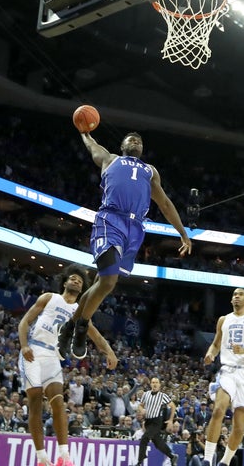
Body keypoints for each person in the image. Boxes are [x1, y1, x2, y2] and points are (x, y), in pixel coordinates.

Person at [59, 128, 193, 359]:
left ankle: (69, 327)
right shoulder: (110, 159)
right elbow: (92, 146)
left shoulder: (150, 172)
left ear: (142, 149)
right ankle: (81, 328)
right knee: (109, 280)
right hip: (110, 220)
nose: (136, 141)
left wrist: (182, 233)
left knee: (101, 283)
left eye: (139, 140)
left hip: (134, 229)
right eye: (131, 139)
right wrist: (84, 132)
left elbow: (165, 204)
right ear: (122, 145)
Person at [19, 265, 118, 466]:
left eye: (80, 281)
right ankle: (41, 458)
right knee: (36, 406)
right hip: (34, 351)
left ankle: (64, 456)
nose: (76, 281)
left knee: (58, 403)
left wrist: (110, 352)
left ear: (83, 290)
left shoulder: (79, 312)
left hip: (53, 357)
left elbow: (96, 335)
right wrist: (23, 346)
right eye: (72, 279)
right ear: (64, 282)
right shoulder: (48, 297)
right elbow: (24, 322)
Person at [202, 288, 244, 466]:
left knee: (239, 427)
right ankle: (207, 460)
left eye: (240, 294)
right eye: (234, 295)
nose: (236, 297)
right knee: (218, 410)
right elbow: (215, 345)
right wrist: (211, 354)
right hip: (228, 370)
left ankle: (224, 462)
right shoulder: (223, 320)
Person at [135, 377, 178, 466]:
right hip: (148, 421)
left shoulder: (163, 396)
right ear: (150, 384)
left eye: (156, 382)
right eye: (153, 382)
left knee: (144, 439)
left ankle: (139, 461)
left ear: (159, 385)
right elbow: (140, 405)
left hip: (156, 421)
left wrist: (170, 420)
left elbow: (173, 406)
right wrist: (141, 409)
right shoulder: (146, 394)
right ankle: (172, 456)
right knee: (158, 443)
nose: (154, 384)